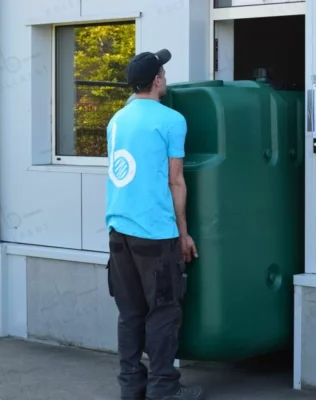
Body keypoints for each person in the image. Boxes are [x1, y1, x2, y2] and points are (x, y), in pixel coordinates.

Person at [105, 49, 204, 400]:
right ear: (158, 80)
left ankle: (131, 387)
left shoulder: (116, 119)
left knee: (130, 313)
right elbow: (175, 181)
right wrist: (183, 232)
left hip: (119, 233)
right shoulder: (171, 120)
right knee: (163, 313)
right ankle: (165, 389)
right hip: (155, 233)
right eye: (164, 72)